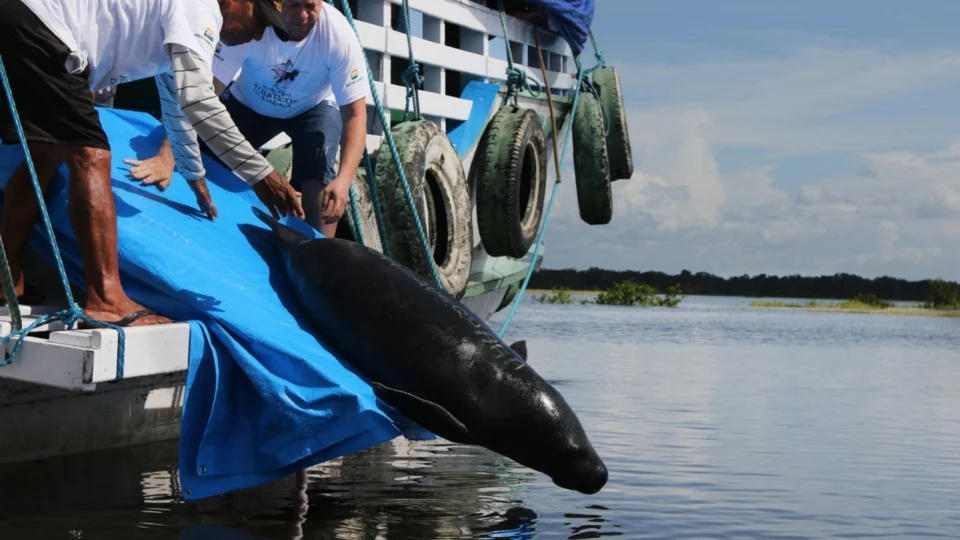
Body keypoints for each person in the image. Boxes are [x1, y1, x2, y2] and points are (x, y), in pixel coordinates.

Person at [0, 0, 304, 327]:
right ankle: (105, 299)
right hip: (44, 23)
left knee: (45, 154)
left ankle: (5, 279)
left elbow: (177, 97)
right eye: (260, 19)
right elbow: (198, 100)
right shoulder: (203, 9)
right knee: (91, 156)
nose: (258, 34)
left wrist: (191, 171)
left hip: (22, 14)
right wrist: (261, 174)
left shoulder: (182, 17)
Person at [126, 0, 370, 237]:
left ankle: (320, 249)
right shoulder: (251, 25)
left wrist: (344, 179)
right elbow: (202, 94)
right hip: (251, 102)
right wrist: (166, 156)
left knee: (320, 172)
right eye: (294, 5)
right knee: (208, 149)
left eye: (310, 6)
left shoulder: (338, 37)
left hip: (313, 107)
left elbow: (356, 114)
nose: (302, 14)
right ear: (278, 4)